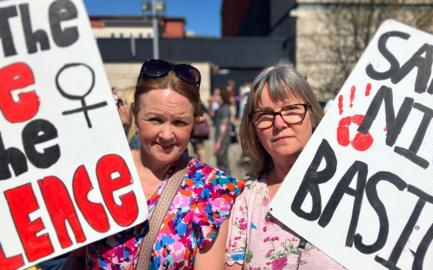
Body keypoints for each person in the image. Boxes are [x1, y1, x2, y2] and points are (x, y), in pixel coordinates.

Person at [66, 59, 243, 269]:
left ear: (195, 121)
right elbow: (77, 259)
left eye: (180, 122)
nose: (167, 135)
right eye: (155, 120)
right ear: (135, 114)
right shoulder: (98, 174)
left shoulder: (213, 190)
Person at [225, 64, 343, 269]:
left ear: (312, 115)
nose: (279, 123)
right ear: (254, 130)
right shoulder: (246, 201)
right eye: (265, 115)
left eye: (291, 109)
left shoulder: (352, 188)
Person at [213, 88, 232, 173]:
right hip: (219, 138)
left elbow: (223, 126)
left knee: (223, 161)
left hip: (223, 138)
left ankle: (228, 182)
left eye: (216, 95)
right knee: (220, 161)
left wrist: (219, 142)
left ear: (221, 96)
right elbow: (211, 116)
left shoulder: (225, 108)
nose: (214, 96)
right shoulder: (220, 108)